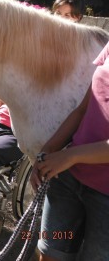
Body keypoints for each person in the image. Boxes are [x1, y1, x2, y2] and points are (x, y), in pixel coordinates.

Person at [30, 41, 109, 260]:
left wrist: (69, 156)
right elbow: (83, 109)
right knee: (48, 255)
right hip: (69, 178)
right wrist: (46, 152)